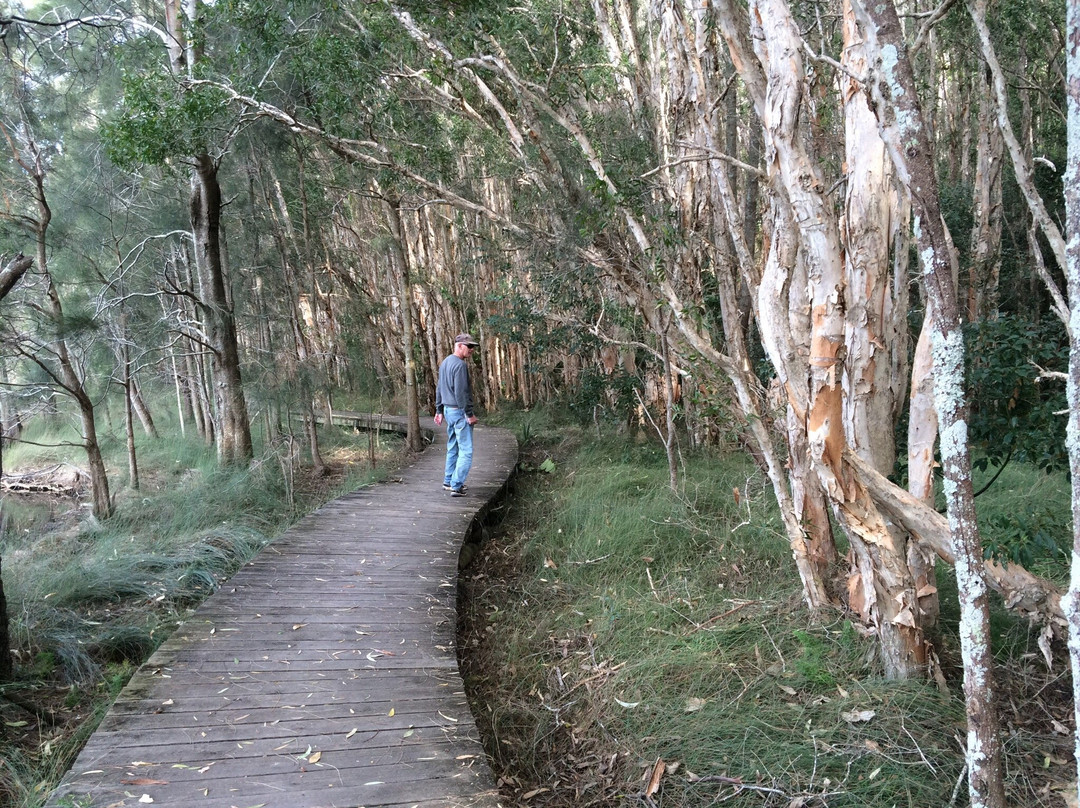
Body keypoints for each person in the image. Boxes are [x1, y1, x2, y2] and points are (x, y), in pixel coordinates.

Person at [434, 333, 479, 497]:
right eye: (469, 346)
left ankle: (448, 481)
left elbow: (439, 388)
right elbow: (461, 393)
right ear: (459, 346)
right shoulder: (460, 365)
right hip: (459, 412)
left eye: (473, 347)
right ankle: (456, 485)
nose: (472, 350)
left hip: (448, 410)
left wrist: (439, 410)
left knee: (453, 446)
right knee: (466, 450)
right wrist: (469, 414)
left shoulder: (445, 362)